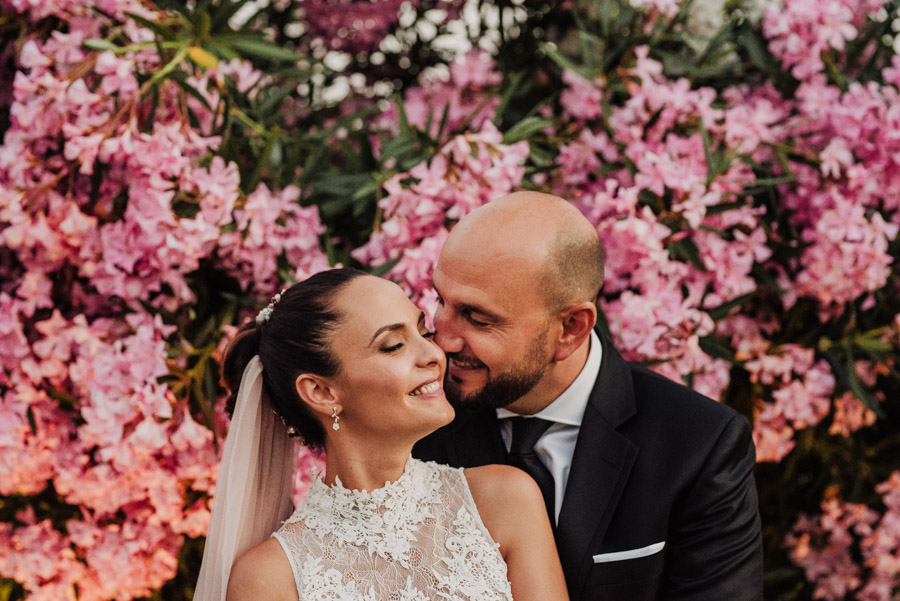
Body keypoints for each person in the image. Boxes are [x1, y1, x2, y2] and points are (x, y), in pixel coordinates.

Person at [413, 191, 764, 600]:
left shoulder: (699, 445)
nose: (443, 338)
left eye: (478, 318)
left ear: (571, 328)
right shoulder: (415, 425)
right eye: (441, 300)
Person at [194, 268, 568, 601]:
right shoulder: (271, 578)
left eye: (423, 331)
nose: (434, 354)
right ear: (322, 393)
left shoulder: (504, 501)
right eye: (393, 345)